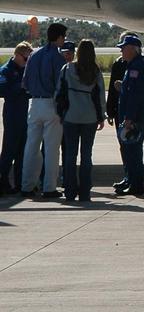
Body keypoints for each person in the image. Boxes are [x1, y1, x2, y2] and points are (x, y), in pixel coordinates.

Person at [106, 32, 144, 194]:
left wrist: (129, 118)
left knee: (133, 149)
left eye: (124, 48)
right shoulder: (132, 65)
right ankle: (132, 181)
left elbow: (136, 95)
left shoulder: (137, 66)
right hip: (132, 113)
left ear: (132, 49)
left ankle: (136, 184)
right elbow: (131, 90)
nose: (121, 51)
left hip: (134, 115)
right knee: (129, 149)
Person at [20, 22, 67, 198]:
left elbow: (25, 83)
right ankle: (49, 187)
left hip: (34, 102)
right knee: (51, 148)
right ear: (60, 37)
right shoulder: (58, 57)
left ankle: (27, 185)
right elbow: (60, 84)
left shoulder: (34, 54)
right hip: (50, 104)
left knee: (31, 146)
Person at [56, 39, 105, 203]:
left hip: (71, 116)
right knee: (86, 156)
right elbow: (100, 96)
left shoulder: (68, 68)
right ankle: (85, 192)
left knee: (70, 155)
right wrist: (101, 116)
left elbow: (59, 92)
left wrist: (60, 113)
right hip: (89, 117)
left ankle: (69, 191)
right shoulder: (96, 71)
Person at [0, 43, 32, 195]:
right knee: (9, 150)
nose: (27, 61)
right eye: (26, 58)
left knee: (22, 151)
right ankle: (2, 181)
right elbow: (3, 90)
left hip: (23, 113)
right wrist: (21, 86)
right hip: (12, 114)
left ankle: (20, 183)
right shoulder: (6, 70)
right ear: (18, 55)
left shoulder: (24, 69)